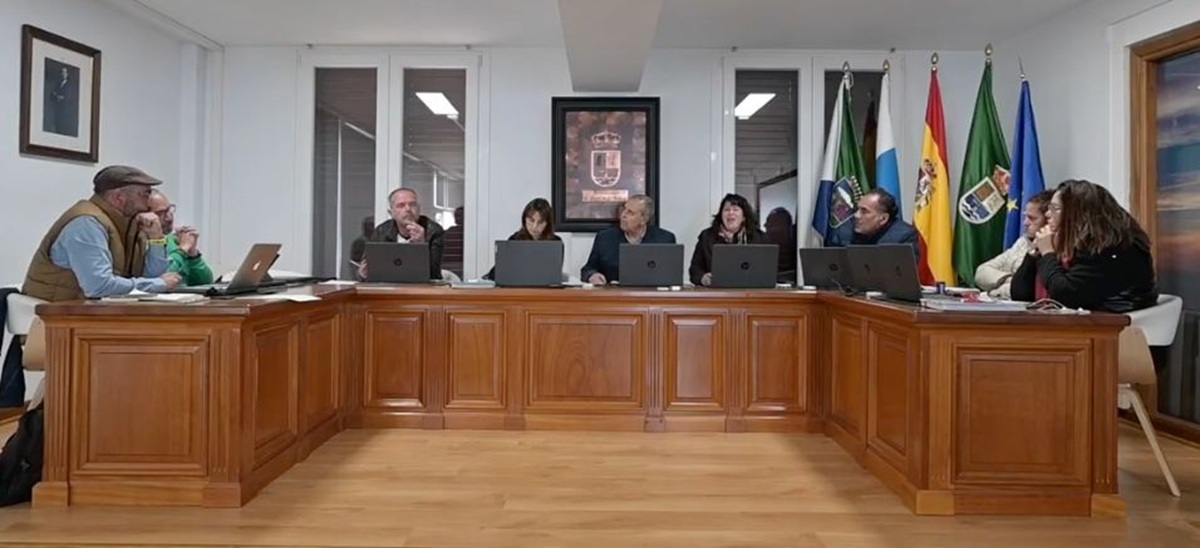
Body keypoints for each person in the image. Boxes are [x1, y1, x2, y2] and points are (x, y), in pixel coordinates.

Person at [22, 165, 180, 302]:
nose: (149, 201)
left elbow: (154, 278)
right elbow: (98, 286)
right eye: (145, 194)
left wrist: (156, 239)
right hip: (55, 318)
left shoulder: (131, 223)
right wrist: (159, 284)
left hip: (92, 313)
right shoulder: (86, 224)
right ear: (119, 198)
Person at [1010, 179, 1158, 313]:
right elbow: (1020, 295)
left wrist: (1048, 253)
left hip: (1112, 326)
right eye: (1049, 208)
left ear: (1078, 214)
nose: (1048, 214)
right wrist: (1034, 253)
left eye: (1056, 209)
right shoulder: (1069, 243)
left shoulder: (1109, 248)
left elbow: (1066, 295)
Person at [581, 195, 676, 285]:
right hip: (614, 294)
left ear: (643, 219)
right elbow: (587, 269)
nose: (623, 215)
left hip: (651, 294)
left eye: (630, 212)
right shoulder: (605, 238)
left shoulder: (664, 239)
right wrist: (592, 276)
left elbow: (672, 275)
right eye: (624, 210)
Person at [974, 190, 1053, 299]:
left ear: (1049, 220)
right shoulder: (1023, 242)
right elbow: (981, 272)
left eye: (1032, 218)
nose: (1025, 223)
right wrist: (1008, 279)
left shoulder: (1051, 249)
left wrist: (996, 290)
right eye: (1025, 217)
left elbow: (1028, 290)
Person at [356, 188, 445, 281]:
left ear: (419, 209)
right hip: (389, 285)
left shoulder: (434, 231)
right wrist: (362, 274)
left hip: (421, 287)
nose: (408, 209)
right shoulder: (382, 231)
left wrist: (421, 246)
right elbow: (366, 266)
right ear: (391, 212)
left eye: (412, 204)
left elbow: (434, 274)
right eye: (401, 205)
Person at [688, 193, 767, 286]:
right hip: (716, 291)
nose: (730, 213)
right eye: (726, 209)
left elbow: (768, 269)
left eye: (735, 209)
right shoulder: (706, 236)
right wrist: (703, 278)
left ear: (744, 217)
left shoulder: (759, 237)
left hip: (750, 290)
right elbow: (694, 270)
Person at [826, 188, 920, 259]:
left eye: (864, 211)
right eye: (857, 209)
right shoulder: (845, 231)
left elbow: (904, 274)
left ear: (883, 219)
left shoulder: (904, 237)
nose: (856, 215)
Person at [483, 198, 562, 281]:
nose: (535, 227)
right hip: (518, 286)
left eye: (540, 222)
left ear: (547, 223)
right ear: (524, 220)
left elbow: (554, 274)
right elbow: (500, 270)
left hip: (544, 287)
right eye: (531, 221)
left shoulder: (556, 242)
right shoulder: (515, 240)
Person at [148, 190, 214, 286]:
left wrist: (193, 254)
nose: (169, 217)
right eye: (161, 213)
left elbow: (205, 282)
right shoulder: (142, 244)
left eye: (169, 209)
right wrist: (182, 250)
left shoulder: (174, 240)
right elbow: (161, 280)